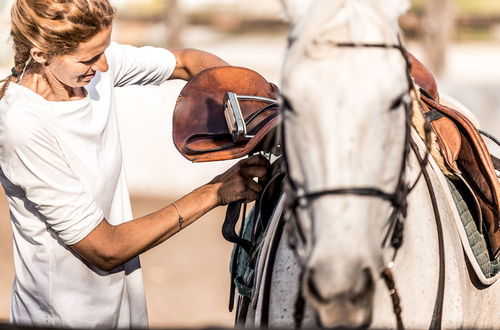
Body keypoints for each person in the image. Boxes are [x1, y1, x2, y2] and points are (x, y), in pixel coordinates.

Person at [0, 0, 269, 328]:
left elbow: (185, 62)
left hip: (122, 308)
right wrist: (214, 192)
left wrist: (248, 98)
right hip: (62, 317)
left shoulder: (92, 68)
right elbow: (105, 248)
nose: (103, 66)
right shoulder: (23, 126)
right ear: (41, 54)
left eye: (105, 49)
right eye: (88, 58)